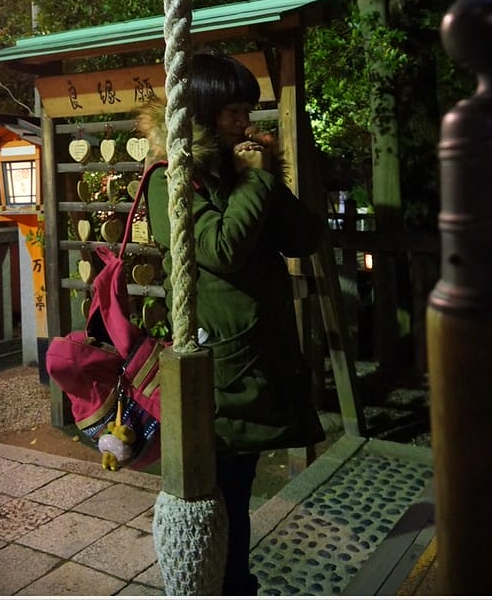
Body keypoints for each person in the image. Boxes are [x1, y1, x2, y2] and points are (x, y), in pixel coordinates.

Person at [139, 50, 325, 596]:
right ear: (200, 111)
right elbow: (220, 248)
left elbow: (302, 238)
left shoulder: (239, 169)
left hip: (256, 356)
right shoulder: (168, 177)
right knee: (218, 493)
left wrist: (266, 175)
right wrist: (254, 184)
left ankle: (237, 583)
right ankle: (222, 586)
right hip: (217, 365)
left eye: (248, 110)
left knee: (238, 493)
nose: (245, 123)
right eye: (233, 112)